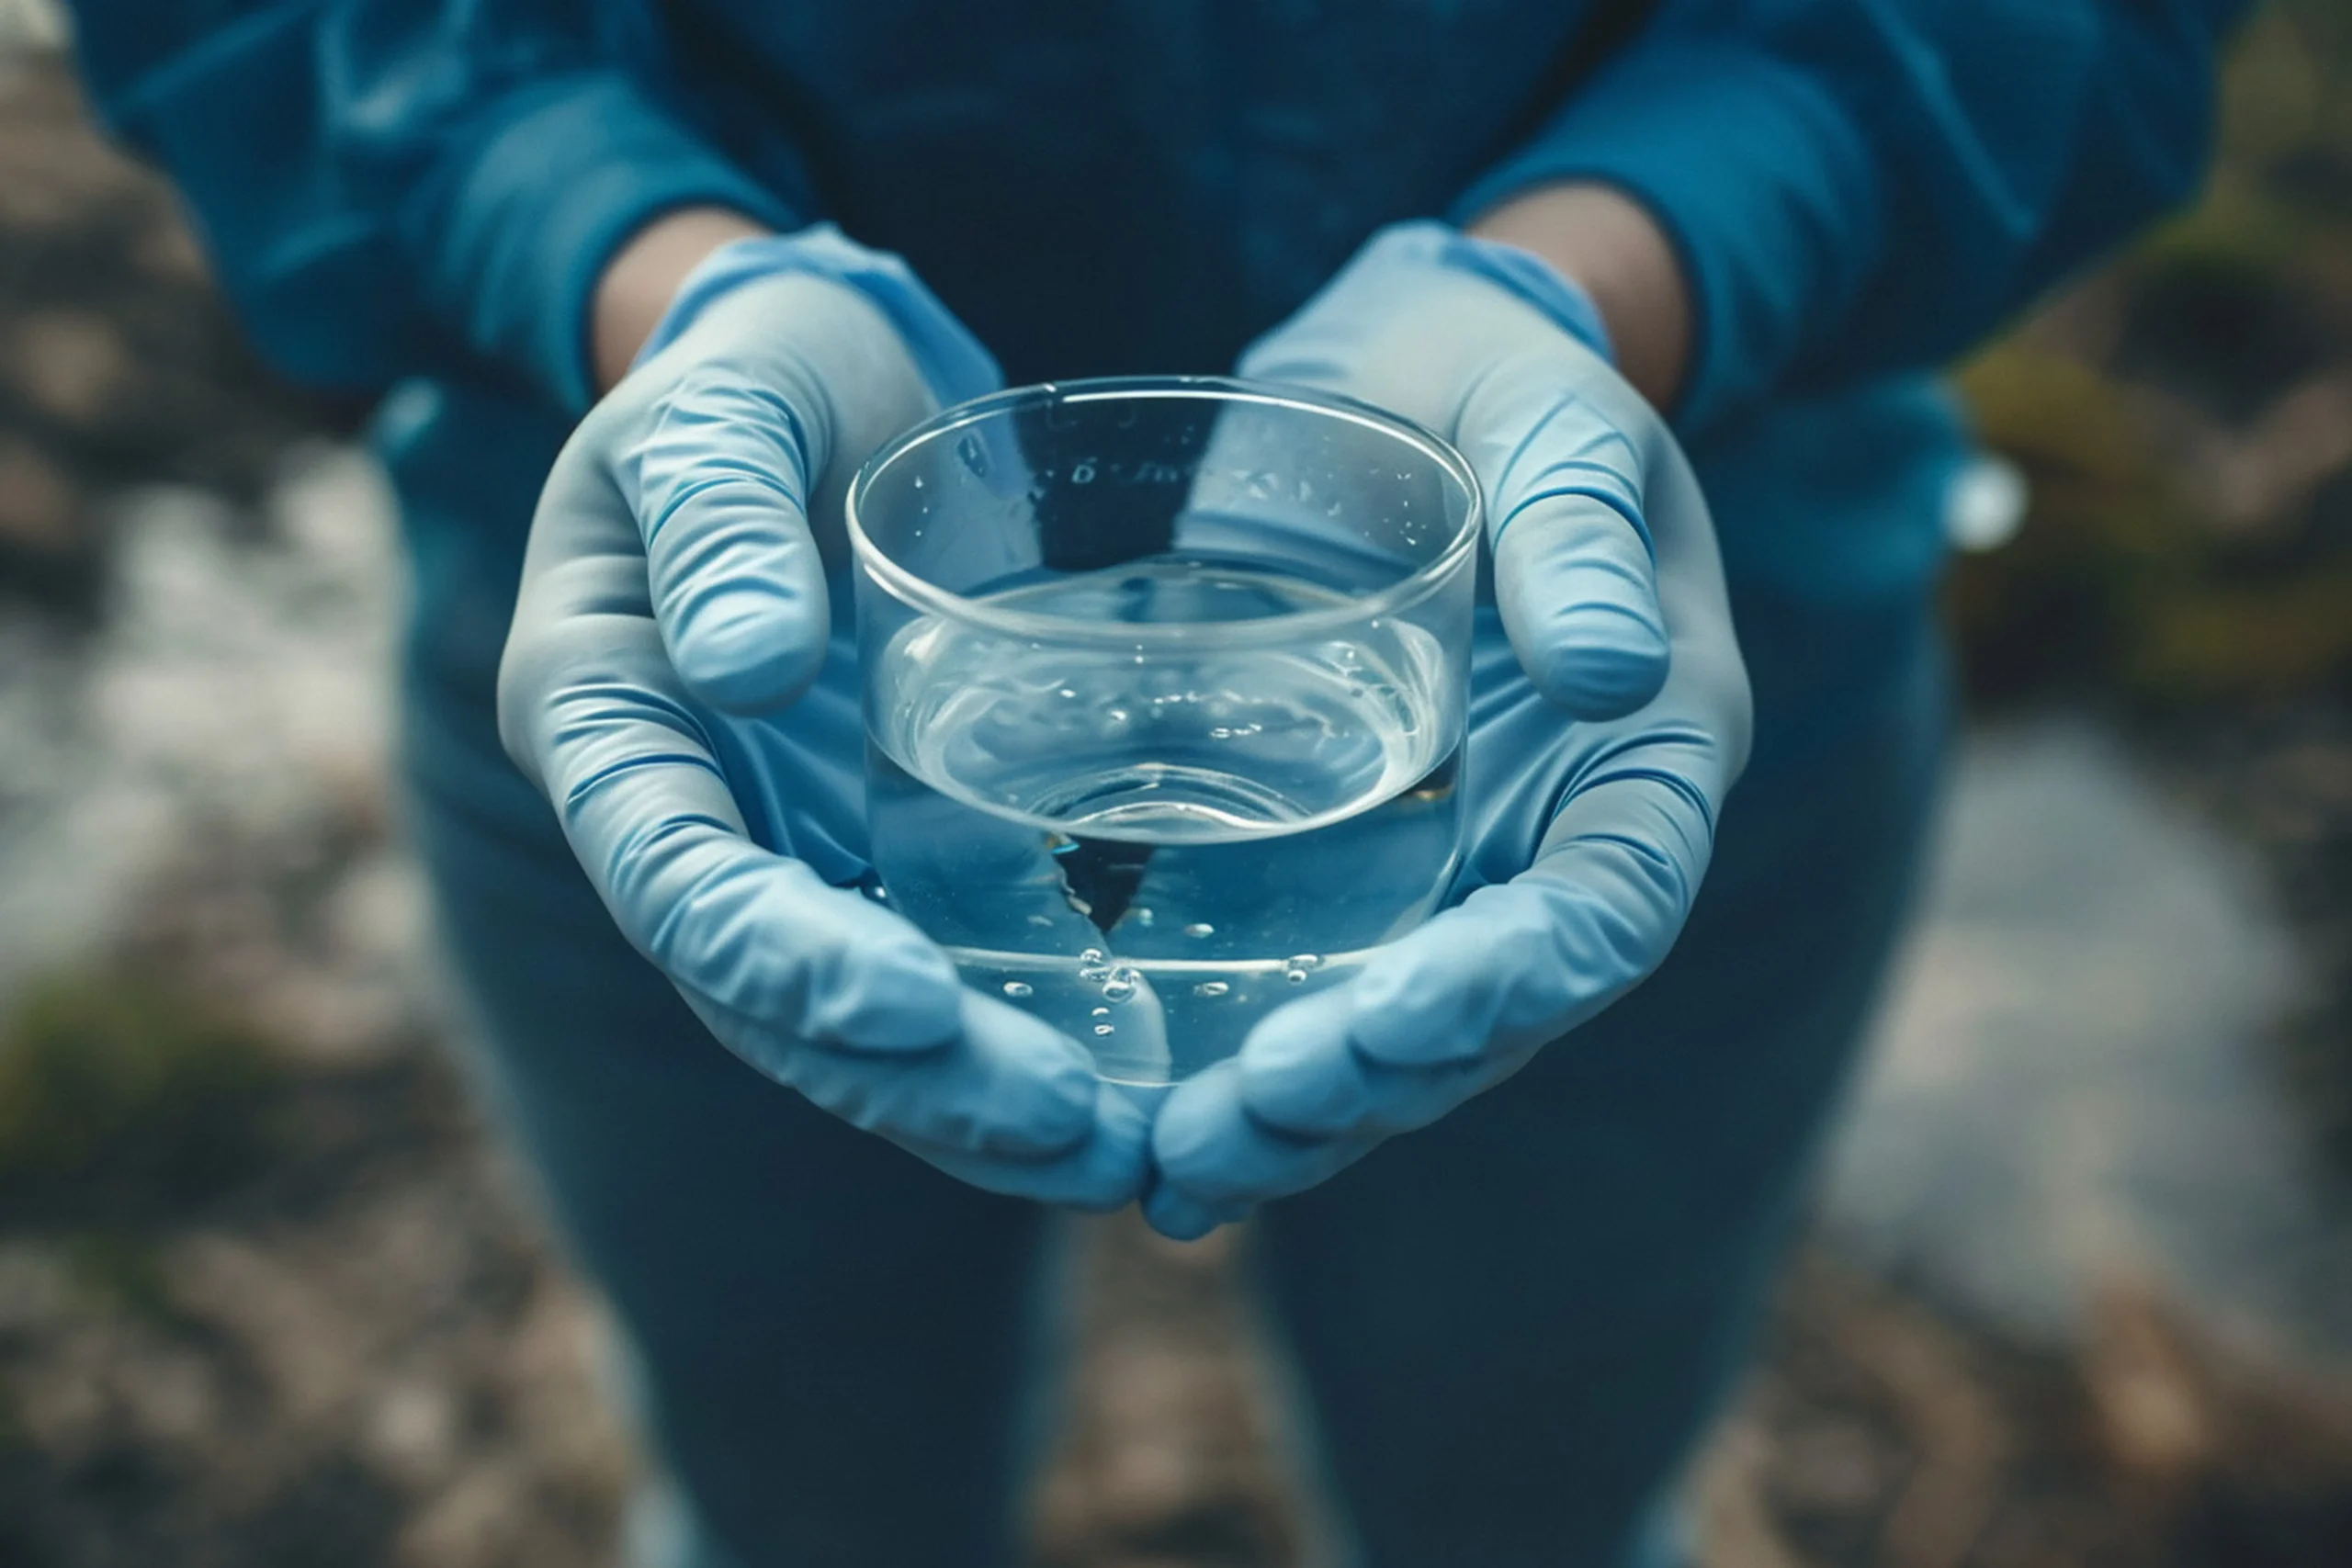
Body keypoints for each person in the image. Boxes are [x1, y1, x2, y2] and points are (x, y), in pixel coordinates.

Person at [62, 2, 2251, 1562]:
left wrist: (1608, 278)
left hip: (1600, 671)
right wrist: (646, 278)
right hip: (720, 682)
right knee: (798, 1508)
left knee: (1533, 1513)